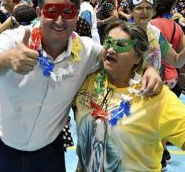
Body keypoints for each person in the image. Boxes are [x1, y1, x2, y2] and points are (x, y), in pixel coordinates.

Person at [0, 0, 162, 172]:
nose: (59, 21)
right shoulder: (15, 39)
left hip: (49, 149)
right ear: (39, 12)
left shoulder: (86, 51)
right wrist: (7, 59)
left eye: (68, 12)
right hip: (3, 146)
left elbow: (120, 55)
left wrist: (149, 69)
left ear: (76, 16)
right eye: (52, 11)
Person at [74, 21, 185, 171]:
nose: (111, 49)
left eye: (121, 45)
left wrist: (149, 68)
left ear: (138, 58)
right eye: (108, 42)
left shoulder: (157, 96)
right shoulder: (86, 81)